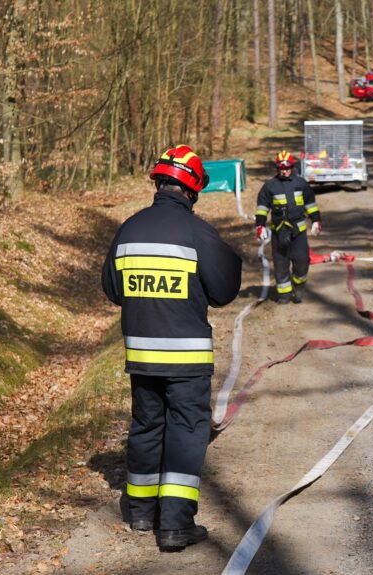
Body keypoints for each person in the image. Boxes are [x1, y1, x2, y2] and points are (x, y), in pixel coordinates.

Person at [101, 145, 242, 551]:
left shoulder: (129, 229)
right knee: (186, 430)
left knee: (146, 427)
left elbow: (112, 289)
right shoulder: (197, 232)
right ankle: (176, 525)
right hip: (186, 359)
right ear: (193, 189)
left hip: (142, 358)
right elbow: (223, 290)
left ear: (158, 183)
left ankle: (141, 513)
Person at [254, 150, 323, 304]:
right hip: (279, 231)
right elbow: (262, 207)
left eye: (286, 168)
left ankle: (298, 287)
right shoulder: (269, 186)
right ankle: (284, 294)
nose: (284, 171)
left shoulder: (301, 184)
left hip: (298, 232)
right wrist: (260, 225)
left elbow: (310, 204)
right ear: (277, 168)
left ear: (292, 167)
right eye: (281, 168)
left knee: (302, 261)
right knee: (281, 263)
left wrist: (316, 220)